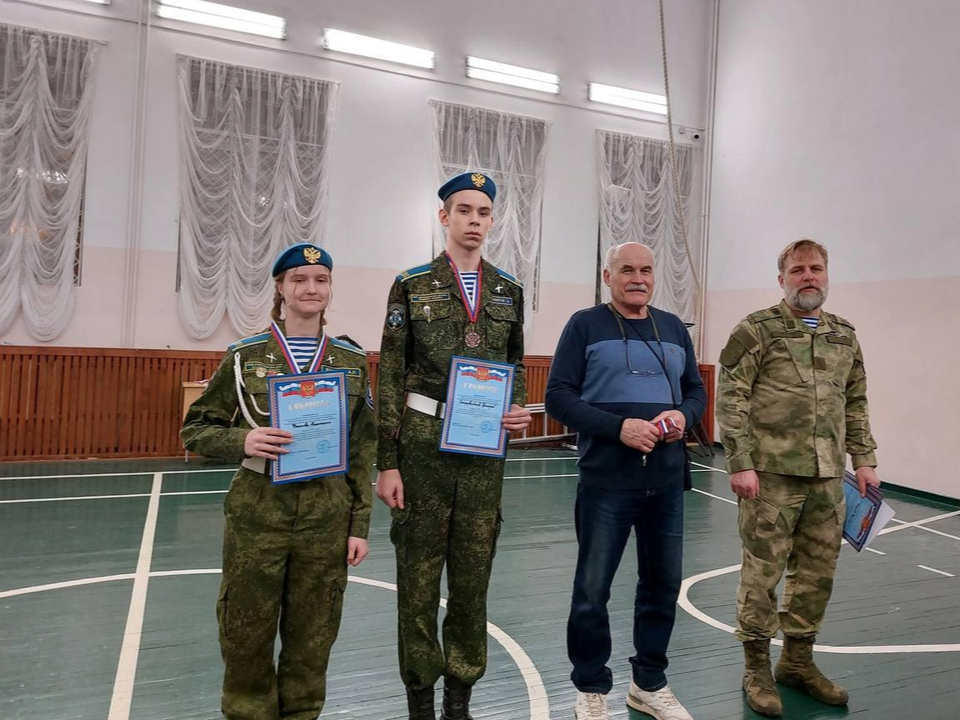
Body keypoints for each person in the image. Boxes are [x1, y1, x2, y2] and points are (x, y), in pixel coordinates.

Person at [181, 243, 376, 720]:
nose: (311, 288)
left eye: (320, 279)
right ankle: (248, 713)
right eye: (299, 279)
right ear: (281, 290)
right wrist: (243, 441)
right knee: (247, 627)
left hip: (326, 512)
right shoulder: (245, 357)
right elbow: (196, 427)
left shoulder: (351, 361)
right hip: (259, 509)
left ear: (330, 289)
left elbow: (362, 449)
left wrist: (359, 525)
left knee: (314, 630)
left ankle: (302, 713)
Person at [375, 172, 532, 720]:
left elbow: (516, 365)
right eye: (463, 210)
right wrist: (385, 463)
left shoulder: (508, 290)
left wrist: (518, 409)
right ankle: (420, 697)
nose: (473, 220)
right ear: (444, 217)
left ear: (491, 221)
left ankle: (460, 696)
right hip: (422, 447)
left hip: (484, 451)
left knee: (472, 577)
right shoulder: (412, 283)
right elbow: (391, 373)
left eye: (483, 212)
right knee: (417, 577)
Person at [716, 238, 880, 718]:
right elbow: (732, 397)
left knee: (816, 575)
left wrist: (864, 458)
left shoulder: (844, 335)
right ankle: (756, 667)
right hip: (769, 477)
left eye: (817, 268)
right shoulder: (756, 330)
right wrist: (740, 461)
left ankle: (798, 662)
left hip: (828, 477)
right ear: (781, 277)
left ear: (827, 275)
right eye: (798, 269)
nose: (809, 276)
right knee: (762, 574)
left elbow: (856, 400)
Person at [544, 242, 706, 720]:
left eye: (646, 270)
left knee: (662, 585)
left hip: (666, 480)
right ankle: (591, 687)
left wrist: (683, 413)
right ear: (607, 275)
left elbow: (696, 390)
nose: (638, 278)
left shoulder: (673, 328)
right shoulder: (584, 324)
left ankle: (649, 684)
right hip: (606, 483)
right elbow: (557, 396)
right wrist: (618, 428)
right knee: (593, 589)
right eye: (627, 270)